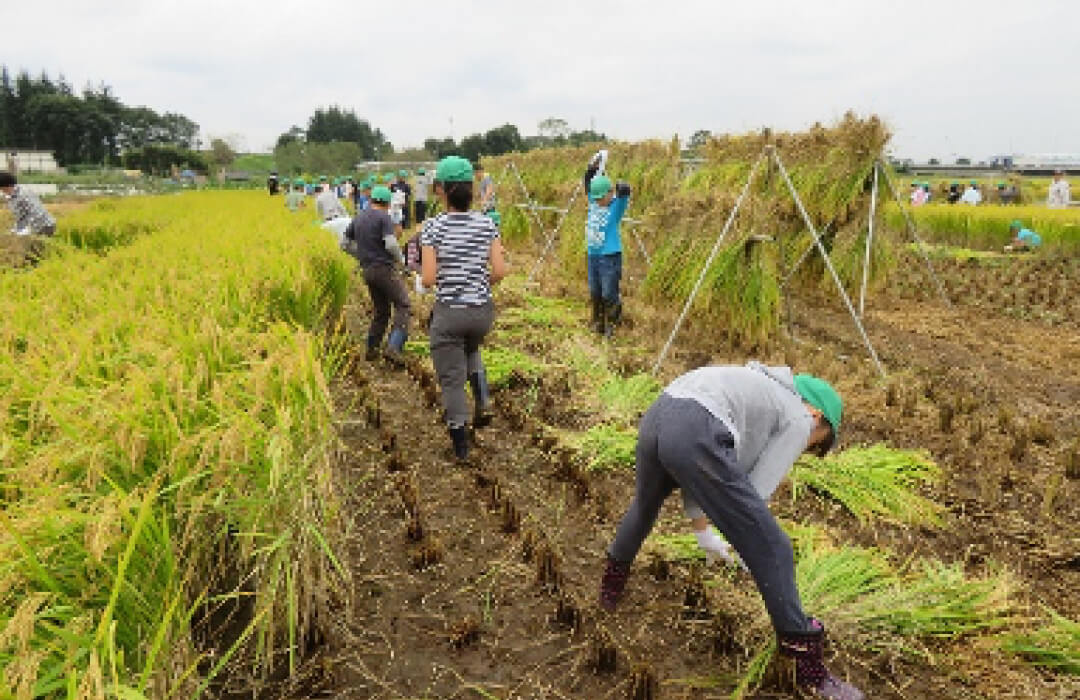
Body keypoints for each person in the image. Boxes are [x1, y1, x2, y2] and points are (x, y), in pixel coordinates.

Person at [599, 362, 862, 700]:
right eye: (816, 442)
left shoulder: (756, 388)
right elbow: (754, 492)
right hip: (695, 427)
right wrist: (750, 546)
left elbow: (701, 468)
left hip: (660, 414)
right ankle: (808, 666)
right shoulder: (799, 418)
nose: (807, 447)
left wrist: (703, 533)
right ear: (817, 417)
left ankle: (609, 591)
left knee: (644, 507)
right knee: (776, 547)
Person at [420, 156, 507, 461]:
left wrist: (424, 280)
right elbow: (499, 270)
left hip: (450, 314)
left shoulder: (433, 228)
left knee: (451, 380)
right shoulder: (487, 223)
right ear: (471, 189)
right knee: (470, 346)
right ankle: (483, 398)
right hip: (482, 312)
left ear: (441, 190)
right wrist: (477, 284)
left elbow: (429, 278)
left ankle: (460, 447)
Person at [344, 185, 411, 365]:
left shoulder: (358, 218)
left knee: (381, 310)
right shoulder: (383, 217)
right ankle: (394, 347)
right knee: (403, 303)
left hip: (367, 270)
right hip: (383, 268)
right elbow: (390, 244)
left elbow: (344, 244)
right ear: (387, 203)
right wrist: (402, 261)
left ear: (372, 200)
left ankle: (371, 349)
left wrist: (362, 255)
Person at [583, 152, 631, 337]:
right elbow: (588, 184)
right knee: (595, 290)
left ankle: (613, 324)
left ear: (610, 194)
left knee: (609, 292)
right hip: (593, 255)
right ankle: (597, 322)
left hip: (609, 257)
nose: (597, 201)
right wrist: (592, 168)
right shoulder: (595, 203)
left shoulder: (614, 207)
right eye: (595, 198)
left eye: (601, 197)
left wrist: (623, 189)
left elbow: (624, 195)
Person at [0, 171, 56, 236]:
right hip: (31, 226)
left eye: (2, 189)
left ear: (8, 186)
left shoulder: (24, 193)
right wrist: (15, 230)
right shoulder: (11, 196)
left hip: (44, 226)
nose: (2, 191)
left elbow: (36, 212)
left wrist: (26, 231)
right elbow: (21, 217)